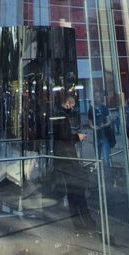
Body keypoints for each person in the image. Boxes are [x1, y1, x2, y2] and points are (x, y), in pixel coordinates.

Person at [52, 92, 97, 231]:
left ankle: (79, 223)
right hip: (67, 158)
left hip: (64, 158)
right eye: (72, 105)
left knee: (74, 191)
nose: (72, 108)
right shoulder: (61, 116)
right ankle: (85, 222)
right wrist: (77, 137)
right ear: (68, 103)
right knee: (77, 190)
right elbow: (64, 137)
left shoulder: (59, 115)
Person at [88, 90, 114, 170]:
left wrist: (104, 125)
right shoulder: (91, 109)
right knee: (98, 158)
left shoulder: (103, 108)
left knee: (106, 159)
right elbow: (90, 122)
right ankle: (101, 174)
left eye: (99, 97)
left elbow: (109, 120)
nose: (98, 98)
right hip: (97, 136)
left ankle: (107, 175)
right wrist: (94, 127)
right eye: (96, 97)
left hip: (104, 135)